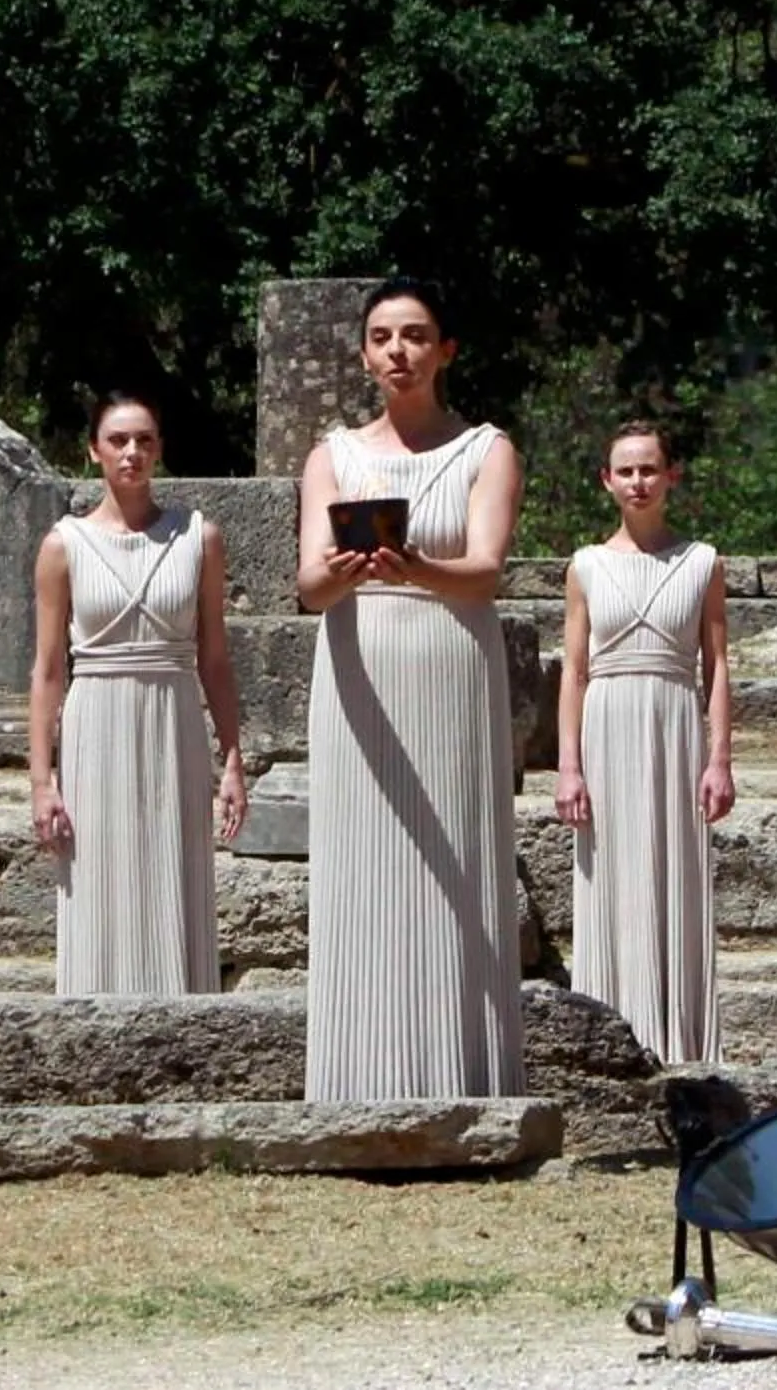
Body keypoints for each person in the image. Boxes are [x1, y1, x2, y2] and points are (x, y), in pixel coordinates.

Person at [295, 277, 528, 1100]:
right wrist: (348, 568)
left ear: (446, 350)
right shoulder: (333, 456)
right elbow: (309, 589)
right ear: (364, 353)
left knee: (456, 856)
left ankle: (462, 1072)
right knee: (364, 864)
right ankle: (359, 1075)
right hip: (360, 671)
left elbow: (486, 573)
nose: (400, 351)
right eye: (385, 337)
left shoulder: (488, 450)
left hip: (450, 665)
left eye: (417, 335)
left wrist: (414, 565)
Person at [31, 394, 246, 995]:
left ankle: (181, 1010)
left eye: (145, 440)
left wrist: (232, 756)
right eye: (119, 440)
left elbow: (215, 658)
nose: (132, 453)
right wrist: (41, 779)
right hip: (95, 716)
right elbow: (48, 668)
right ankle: (93, 1011)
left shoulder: (199, 538)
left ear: (160, 449)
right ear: (93, 451)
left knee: (171, 868)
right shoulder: (62, 545)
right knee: (99, 870)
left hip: (173, 717)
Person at [553, 423, 732, 1065]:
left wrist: (719, 758)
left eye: (649, 469)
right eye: (625, 471)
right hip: (607, 725)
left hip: (675, 722)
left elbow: (716, 667)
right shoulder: (586, 567)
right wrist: (568, 765)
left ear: (671, 477)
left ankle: (680, 1040)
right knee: (611, 877)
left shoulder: (703, 562)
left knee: (674, 869)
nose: (638, 482)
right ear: (606, 481)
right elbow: (574, 671)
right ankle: (610, 1035)